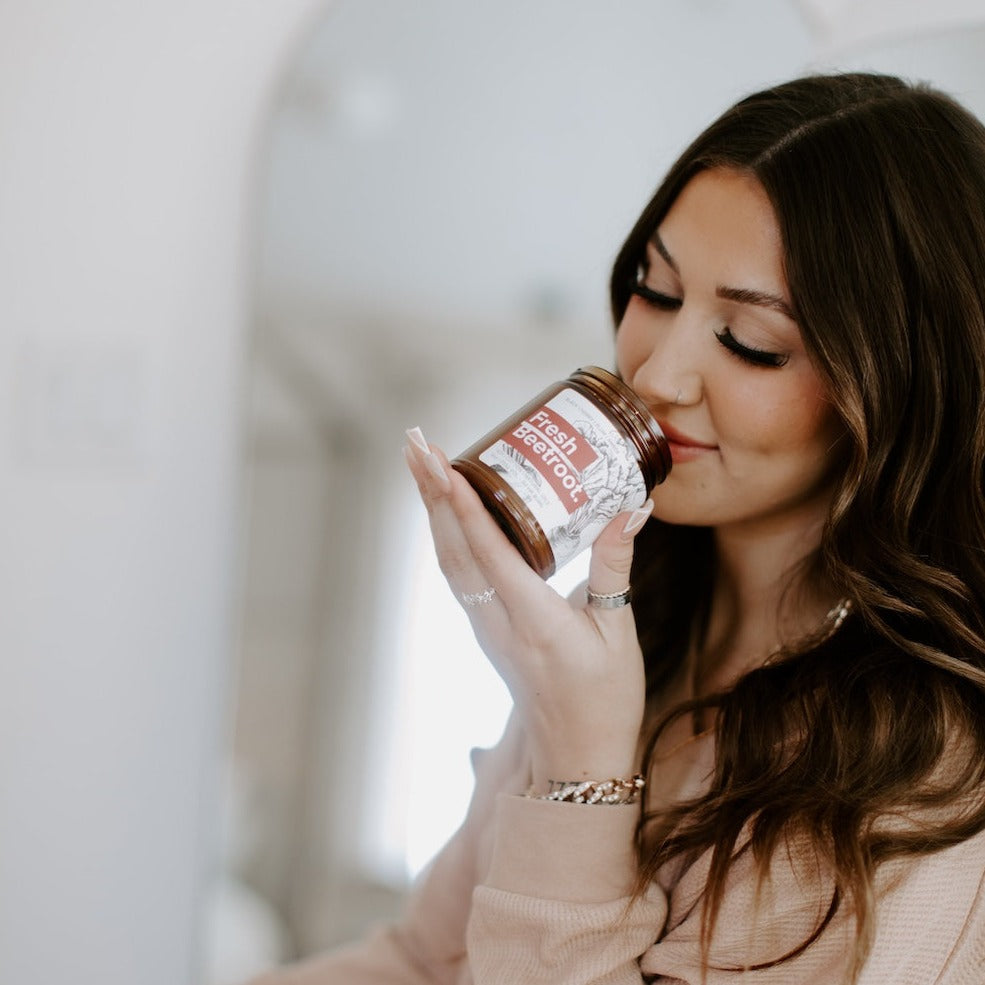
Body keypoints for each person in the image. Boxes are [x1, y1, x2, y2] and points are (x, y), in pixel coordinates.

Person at [251, 72, 985, 984]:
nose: (659, 373)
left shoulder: (934, 789)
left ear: (902, 391)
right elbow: (424, 961)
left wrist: (584, 769)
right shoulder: (625, 630)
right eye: (656, 289)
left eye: (752, 342)